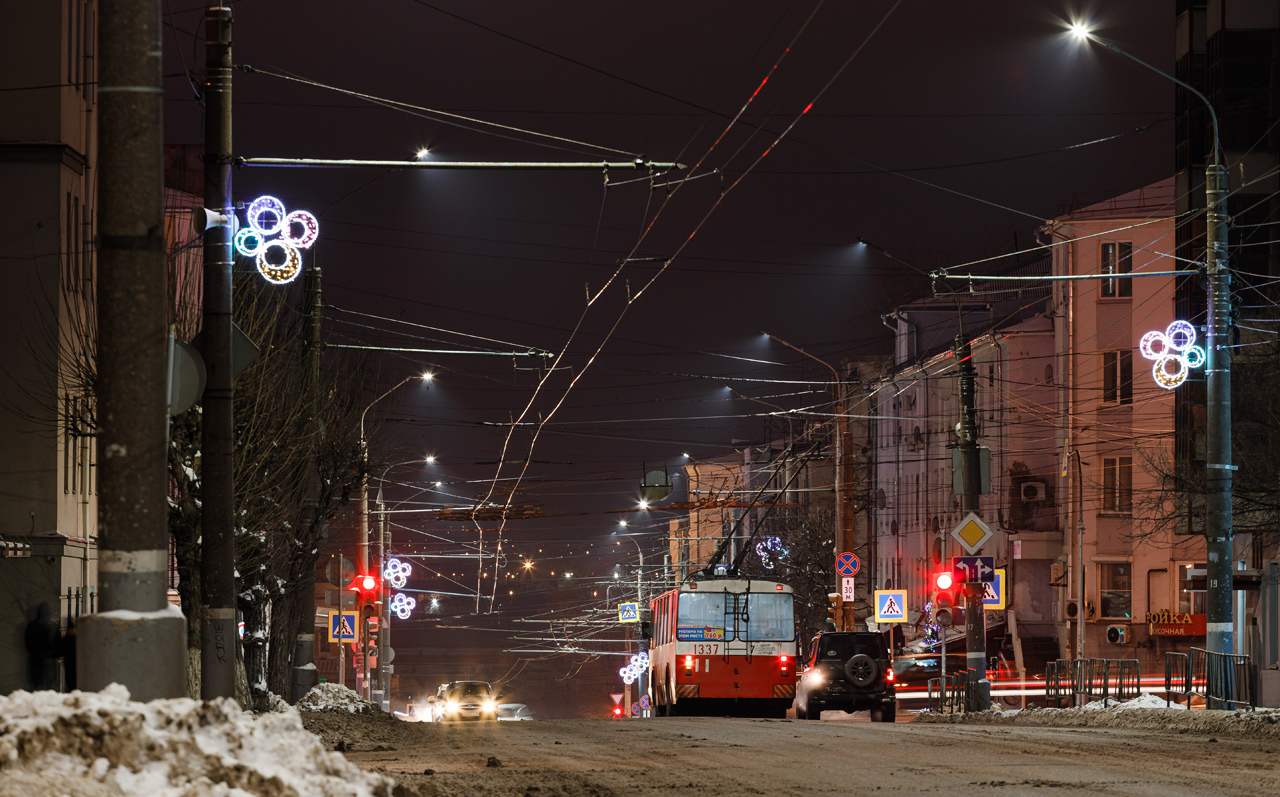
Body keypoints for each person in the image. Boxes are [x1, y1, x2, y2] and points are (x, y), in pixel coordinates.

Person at [24, 602, 61, 690]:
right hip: (44, 659)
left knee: (39, 685)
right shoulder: (51, 625)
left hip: (39, 659)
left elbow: (28, 642)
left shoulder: (33, 625)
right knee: (46, 685)